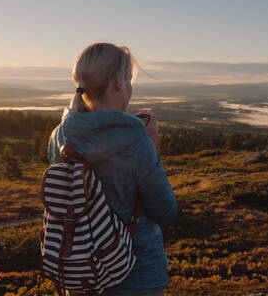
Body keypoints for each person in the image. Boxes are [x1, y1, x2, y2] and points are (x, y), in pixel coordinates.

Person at [47, 42, 177, 296]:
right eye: (128, 78)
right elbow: (165, 212)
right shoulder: (135, 137)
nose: (129, 86)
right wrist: (150, 145)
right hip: (136, 276)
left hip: (79, 274)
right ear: (118, 81)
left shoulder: (59, 135)